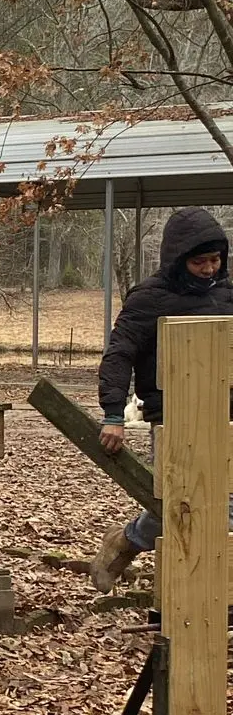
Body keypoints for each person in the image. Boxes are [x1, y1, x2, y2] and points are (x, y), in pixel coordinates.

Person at [90, 206, 233, 591]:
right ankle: (127, 543)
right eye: (199, 261)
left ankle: (213, 593)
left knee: (223, 508)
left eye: (215, 260)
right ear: (178, 260)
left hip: (228, 414)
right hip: (173, 417)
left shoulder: (228, 294)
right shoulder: (149, 298)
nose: (208, 269)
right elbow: (119, 354)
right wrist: (113, 414)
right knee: (180, 503)